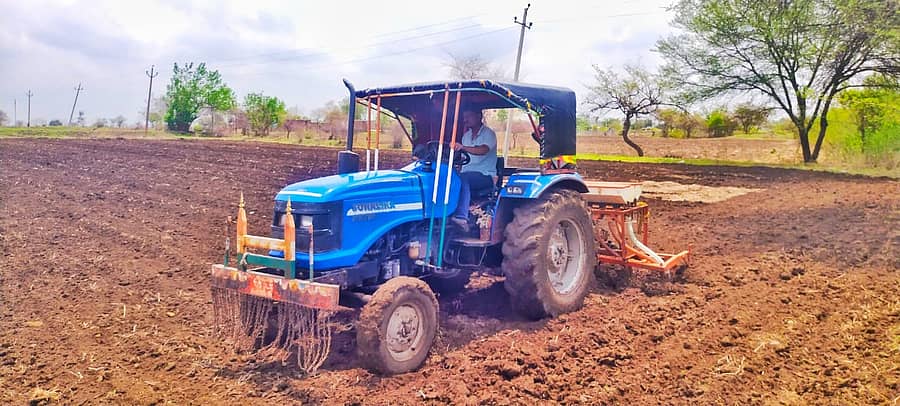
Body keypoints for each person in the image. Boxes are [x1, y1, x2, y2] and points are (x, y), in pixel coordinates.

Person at [450, 108, 497, 231]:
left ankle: (461, 217)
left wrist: (463, 147)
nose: (465, 120)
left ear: (478, 116)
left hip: (486, 176)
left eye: (468, 116)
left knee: (463, 178)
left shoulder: (489, 134)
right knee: (450, 175)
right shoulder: (466, 136)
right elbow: (463, 159)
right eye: (464, 117)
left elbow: (483, 150)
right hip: (467, 174)